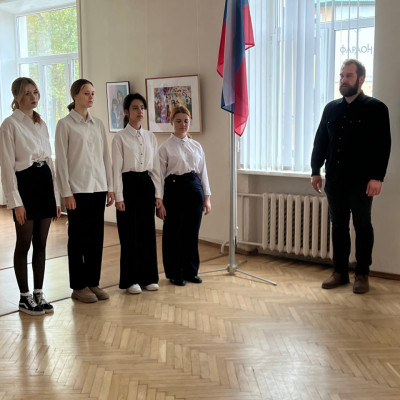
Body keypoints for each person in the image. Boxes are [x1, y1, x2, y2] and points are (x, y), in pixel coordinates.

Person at [311, 59, 391, 294]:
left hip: (362, 181)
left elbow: (383, 145)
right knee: (338, 226)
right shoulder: (331, 108)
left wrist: (377, 177)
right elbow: (320, 141)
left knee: (362, 225)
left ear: (361, 79)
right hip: (335, 180)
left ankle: (362, 274)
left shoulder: (376, 108)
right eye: (341, 76)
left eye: (349, 76)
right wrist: (315, 170)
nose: (343, 80)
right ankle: (340, 272)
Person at [0, 77, 61, 315]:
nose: (33, 97)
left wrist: (56, 197)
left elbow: (49, 161)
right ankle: (24, 297)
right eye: (27, 93)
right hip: (25, 184)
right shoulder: (9, 125)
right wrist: (16, 202)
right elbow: (7, 167)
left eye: (35, 92)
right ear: (16, 97)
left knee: (41, 243)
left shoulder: (41, 123)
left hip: (44, 182)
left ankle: (38, 293)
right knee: (24, 243)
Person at [55, 79, 114, 303]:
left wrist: (110, 187)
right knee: (77, 239)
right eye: (86, 93)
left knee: (95, 239)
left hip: (98, 188)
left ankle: (93, 283)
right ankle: (78, 286)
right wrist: (66, 192)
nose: (91, 97)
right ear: (75, 96)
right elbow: (61, 162)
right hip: (77, 190)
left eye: (93, 93)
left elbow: (105, 157)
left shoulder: (98, 124)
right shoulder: (65, 125)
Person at [112, 93, 162, 294]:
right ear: (126, 111)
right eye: (135, 108)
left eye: (142, 107)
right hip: (128, 185)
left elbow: (156, 168)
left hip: (146, 184)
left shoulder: (151, 137)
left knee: (147, 233)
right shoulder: (120, 138)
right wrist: (119, 197)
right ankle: (130, 280)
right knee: (129, 234)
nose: (140, 111)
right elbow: (116, 169)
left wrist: (158, 194)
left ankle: (148, 277)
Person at [157, 105, 211, 286]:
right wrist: (159, 202)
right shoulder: (165, 148)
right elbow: (159, 177)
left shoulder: (196, 146)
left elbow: (203, 173)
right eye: (178, 121)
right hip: (174, 191)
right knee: (174, 234)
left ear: (190, 122)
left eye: (186, 121)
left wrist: (207, 198)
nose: (183, 124)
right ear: (172, 122)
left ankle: (191, 271)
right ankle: (175, 273)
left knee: (191, 233)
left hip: (194, 190)